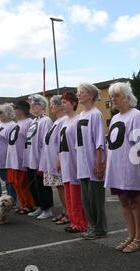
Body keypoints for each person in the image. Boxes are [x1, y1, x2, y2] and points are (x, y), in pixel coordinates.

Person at [105, 82, 140, 253]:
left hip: (131, 166)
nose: (113, 99)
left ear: (127, 97)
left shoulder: (136, 116)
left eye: (117, 96)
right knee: (123, 201)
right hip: (116, 167)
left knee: (134, 201)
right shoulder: (116, 118)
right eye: (111, 96)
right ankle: (131, 235)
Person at [76, 83, 107, 240]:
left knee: (95, 197)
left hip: (92, 162)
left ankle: (99, 228)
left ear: (90, 95)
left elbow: (100, 140)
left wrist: (99, 162)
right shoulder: (81, 115)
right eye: (78, 92)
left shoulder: (96, 114)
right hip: (82, 163)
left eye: (82, 92)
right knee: (86, 198)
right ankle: (92, 225)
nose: (79, 94)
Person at [58, 92, 89, 234]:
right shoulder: (63, 122)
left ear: (73, 103)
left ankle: (81, 223)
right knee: (69, 196)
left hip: (74, 161)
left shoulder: (78, 120)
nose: (62, 105)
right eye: (61, 102)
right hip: (65, 161)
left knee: (76, 196)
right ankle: (73, 221)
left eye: (65, 102)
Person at [24, 94, 55, 219]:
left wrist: (43, 161)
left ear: (42, 106)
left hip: (40, 158)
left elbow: (46, 142)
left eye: (35, 104)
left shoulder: (46, 121)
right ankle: (39, 206)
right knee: (34, 185)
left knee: (42, 185)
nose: (32, 106)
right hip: (31, 157)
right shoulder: (34, 121)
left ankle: (47, 208)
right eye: (31, 104)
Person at [39, 95, 68, 223]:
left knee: (63, 187)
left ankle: (68, 212)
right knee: (59, 187)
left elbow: (62, 142)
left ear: (60, 106)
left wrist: (59, 159)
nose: (51, 107)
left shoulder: (64, 120)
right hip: (52, 160)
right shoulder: (56, 121)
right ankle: (64, 210)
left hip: (59, 160)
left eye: (53, 104)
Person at [6, 101, 36, 215]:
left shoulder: (29, 122)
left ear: (23, 110)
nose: (14, 110)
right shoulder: (17, 123)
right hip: (13, 158)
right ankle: (23, 203)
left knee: (23, 184)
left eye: (16, 108)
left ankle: (30, 204)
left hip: (22, 158)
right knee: (16, 184)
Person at [0, 103, 17, 204]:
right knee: (5, 179)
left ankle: (12, 199)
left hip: (7, 158)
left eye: (0, 112)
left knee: (10, 180)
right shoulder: (1, 125)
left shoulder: (12, 126)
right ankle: (9, 199)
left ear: (8, 113)